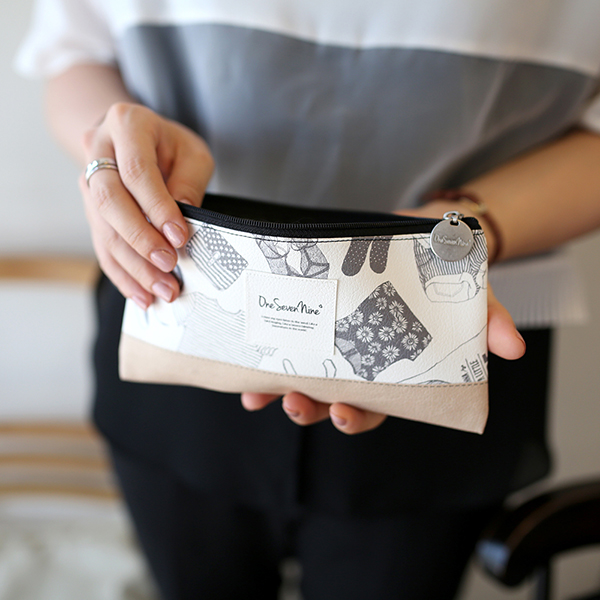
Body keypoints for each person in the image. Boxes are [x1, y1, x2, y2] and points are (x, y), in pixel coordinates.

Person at [16, 1, 600, 598]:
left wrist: (462, 229)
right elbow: (74, 51)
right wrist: (115, 153)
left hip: (445, 327)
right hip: (182, 311)